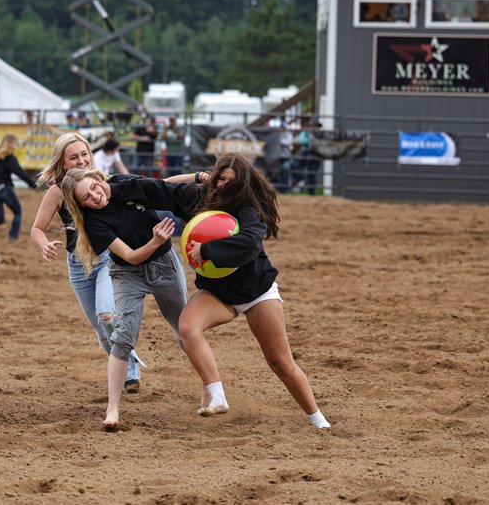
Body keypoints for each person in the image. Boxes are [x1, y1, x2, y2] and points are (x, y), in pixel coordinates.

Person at [104, 153, 331, 429]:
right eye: (220, 178)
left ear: (242, 185)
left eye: (230, 182)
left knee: (280, 362)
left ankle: (318, 419)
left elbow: (249, 244)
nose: (222, 185)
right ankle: (217, 395)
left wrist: (207, 250)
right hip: (218, 294)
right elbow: (158, 189)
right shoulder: (199, 199)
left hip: (256, 292)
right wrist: (111, 187)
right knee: (187, 327)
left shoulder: (249, 210)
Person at [60, 167, 189, 430]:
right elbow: (130, 256)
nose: (94, 196)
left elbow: (164, 186)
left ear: (98, 179)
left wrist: (198, 179)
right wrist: (155, 240)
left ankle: (211, 390)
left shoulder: (128, 184)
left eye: (93, 188)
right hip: (128, 271)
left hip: (164, 264)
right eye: (86, 198)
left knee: (186, 329)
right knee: (122, 336)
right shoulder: (93, 223)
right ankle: (112, 408)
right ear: (80, 205)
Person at [30, 132, 144, 395]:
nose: (81, 160)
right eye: (73, 157)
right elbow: (36, 228)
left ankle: (130, 370)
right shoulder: (57, 192)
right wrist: (44, 244)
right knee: (101, 330)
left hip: (107, 259)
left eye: (84, 154)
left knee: (107, 314)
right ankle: (125, 366)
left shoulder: (102, 181)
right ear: (62, 162)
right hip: (77, 266)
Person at [0, 133, 37, 241]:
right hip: (4, 189)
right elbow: (20, 173)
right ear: (12, 144)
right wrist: (33, 184)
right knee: (18, 212)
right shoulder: (9, 158)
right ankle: (13, 236)